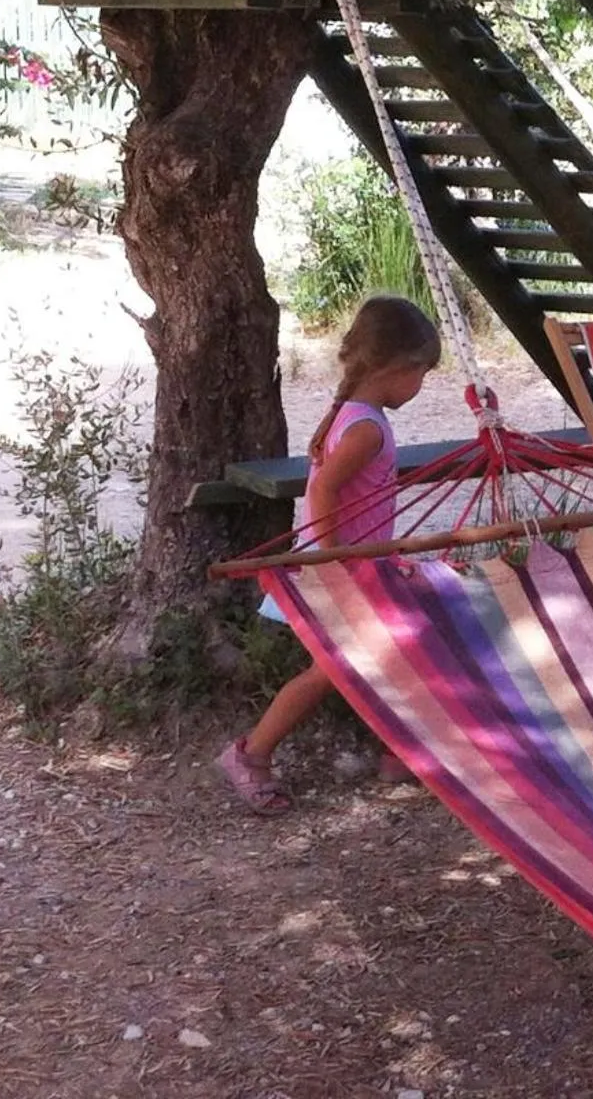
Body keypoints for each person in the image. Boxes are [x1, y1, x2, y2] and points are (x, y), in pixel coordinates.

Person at [217, 295, 443, 814]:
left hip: (350, 565)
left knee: (392, 649)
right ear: (396, 367)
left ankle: (398, 751)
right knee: (333, 669)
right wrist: (339, 561)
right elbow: (322, 495)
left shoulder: (350, 412)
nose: (421, 386)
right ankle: (250, 755)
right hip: (339, 569)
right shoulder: (365, 428)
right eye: (422, 374)